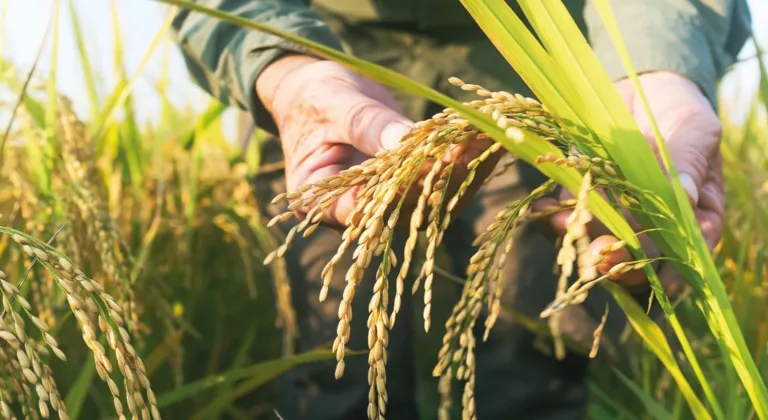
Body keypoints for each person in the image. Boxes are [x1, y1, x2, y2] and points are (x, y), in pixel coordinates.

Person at [171, 1, 751, 419]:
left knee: (532, 358)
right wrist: (284, 67)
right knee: (332, 363)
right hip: (322, 49)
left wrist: (657, 72)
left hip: (528, 54)